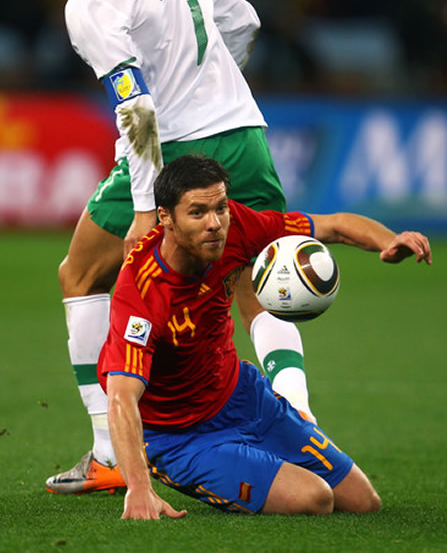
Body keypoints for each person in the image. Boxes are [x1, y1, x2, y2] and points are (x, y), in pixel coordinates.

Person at [0, 0, 316, 494]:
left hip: (175, 148)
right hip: (243, 131)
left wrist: (146, 205)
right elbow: (244, 22)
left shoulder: (87, 3)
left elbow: (137, 111)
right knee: (258, 282)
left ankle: (107, 451)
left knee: (80, 274)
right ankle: (302, 426)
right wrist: (213, 86)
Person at [98, 154, 431, 519]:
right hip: (182, 438)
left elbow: (331, 226)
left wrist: (390, 240)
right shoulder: (142, 292)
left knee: (363, 501)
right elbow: (121, 398)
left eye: (220, 207)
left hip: (244, 398)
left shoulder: (236, 224)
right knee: (314, 498)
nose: (215, 224)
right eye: (197, 213)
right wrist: (139, 487)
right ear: (165, 219)